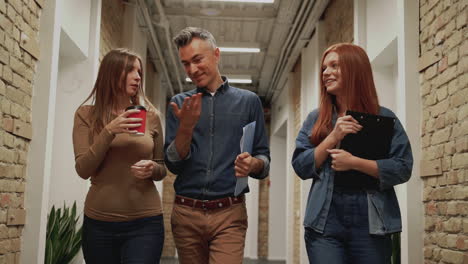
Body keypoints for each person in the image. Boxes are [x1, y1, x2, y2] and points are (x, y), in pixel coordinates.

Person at [292, 43, 413, 264]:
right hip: (324, 220)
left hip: (372, 222)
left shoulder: (385, 119)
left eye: (334, 66)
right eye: (324, 68)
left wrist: (355, 162)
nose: (325, 73)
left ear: (355, 70)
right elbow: (300, 165)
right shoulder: (315, 119)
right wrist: (333, 137)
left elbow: (403, 168)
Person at [164, 27, 270, 264]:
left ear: (216, 54)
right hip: (186, 214)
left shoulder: (249, 102)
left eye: (197, 59)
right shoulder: (180, 104)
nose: (192, 69)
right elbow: (173, 164)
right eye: (185, 64)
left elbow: (264, 157)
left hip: (229, 214)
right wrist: (185, 128)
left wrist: (253, 164)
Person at [72, 48, 166, 264]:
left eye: (139, 72)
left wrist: (153, 168)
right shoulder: (85, 115)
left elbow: (162, 168)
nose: (138, 77)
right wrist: (109, 131)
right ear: (111, 73)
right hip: (98, 224)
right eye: (130, 70)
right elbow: (83, 170)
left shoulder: (150, 117)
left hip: (146, 223)